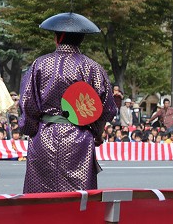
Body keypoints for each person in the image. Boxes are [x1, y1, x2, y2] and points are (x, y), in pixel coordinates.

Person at [19, 12, 117, 193]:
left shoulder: (39, 64)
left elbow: (27, 103)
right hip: (79, 137)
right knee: (79, 196)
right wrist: (96, 133)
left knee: (40, 193)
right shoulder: (93, 67)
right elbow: (106, 108)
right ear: (81, 39)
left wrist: (30, 129)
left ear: (57, 38)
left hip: (45, 135)